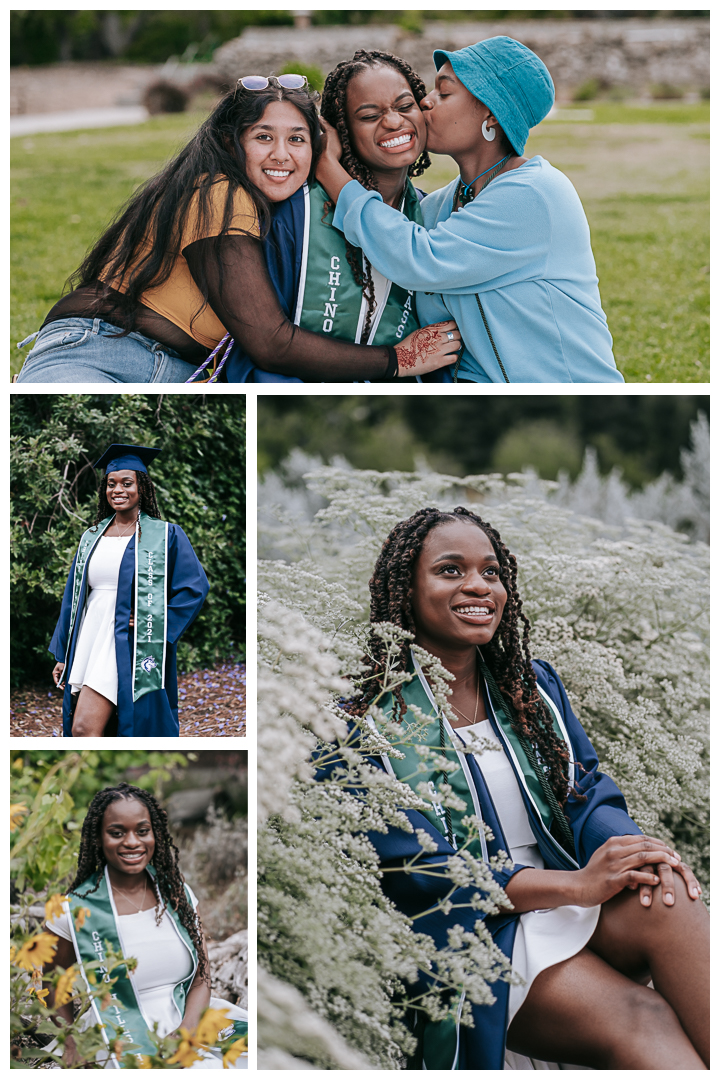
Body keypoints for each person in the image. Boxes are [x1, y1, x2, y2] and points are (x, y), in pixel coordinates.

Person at [344, 507, 708, 1069]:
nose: (477, 586)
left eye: (491, 572)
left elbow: (583, 793)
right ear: (405, 592)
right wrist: (578, 885)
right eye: (449, 570)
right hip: (474, 928)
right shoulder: (360, 724)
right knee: (645, 1016)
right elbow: (424, 872)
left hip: (568, 891)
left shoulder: (530, 689)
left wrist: (631, 851)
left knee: (669, 893)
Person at [16, 77, 457, 384]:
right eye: (263, 137)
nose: (281, 154)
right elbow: (270, 341)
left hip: (177, 371)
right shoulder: (219, 194)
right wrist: (396, 360)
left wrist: (329, 165)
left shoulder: (282, 209)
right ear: (232, 143)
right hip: (101, 355)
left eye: (298, 139)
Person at [317, 36, 625, 383]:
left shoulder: (536, 194)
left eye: (443, 93)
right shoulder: (437, 207)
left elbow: (417, 260)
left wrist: (328, 167)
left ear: (491, 115)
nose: (425, 103)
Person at [228, 51, 460, 383]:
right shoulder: (296, 211)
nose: (394, 122)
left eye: (405, 106)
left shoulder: (429, 219)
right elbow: (264, 348)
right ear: (341, 131)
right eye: (368, 115)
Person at [44, 782, 248, 1069]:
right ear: (98, 838)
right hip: (118, 1032)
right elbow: (52, 982)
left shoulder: (178, 895)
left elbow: (202, 976)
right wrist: (69, 1040)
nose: (132, 842)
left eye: (142, 831)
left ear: (155, 834)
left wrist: (188, 1030)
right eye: (117, 833)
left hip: (191, 1019)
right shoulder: (73, 909)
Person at [50, 444, 209, 738]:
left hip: (126, 639)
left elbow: (194, 587)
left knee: (84, 728)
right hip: (91, 635)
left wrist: (157, 622)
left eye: (127, 483)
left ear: (142, 488)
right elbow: (74, 597)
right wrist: (64, 653)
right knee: (93, 727)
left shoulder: (164, 535)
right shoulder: (91, 536)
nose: (118, 490)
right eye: (111, 484)